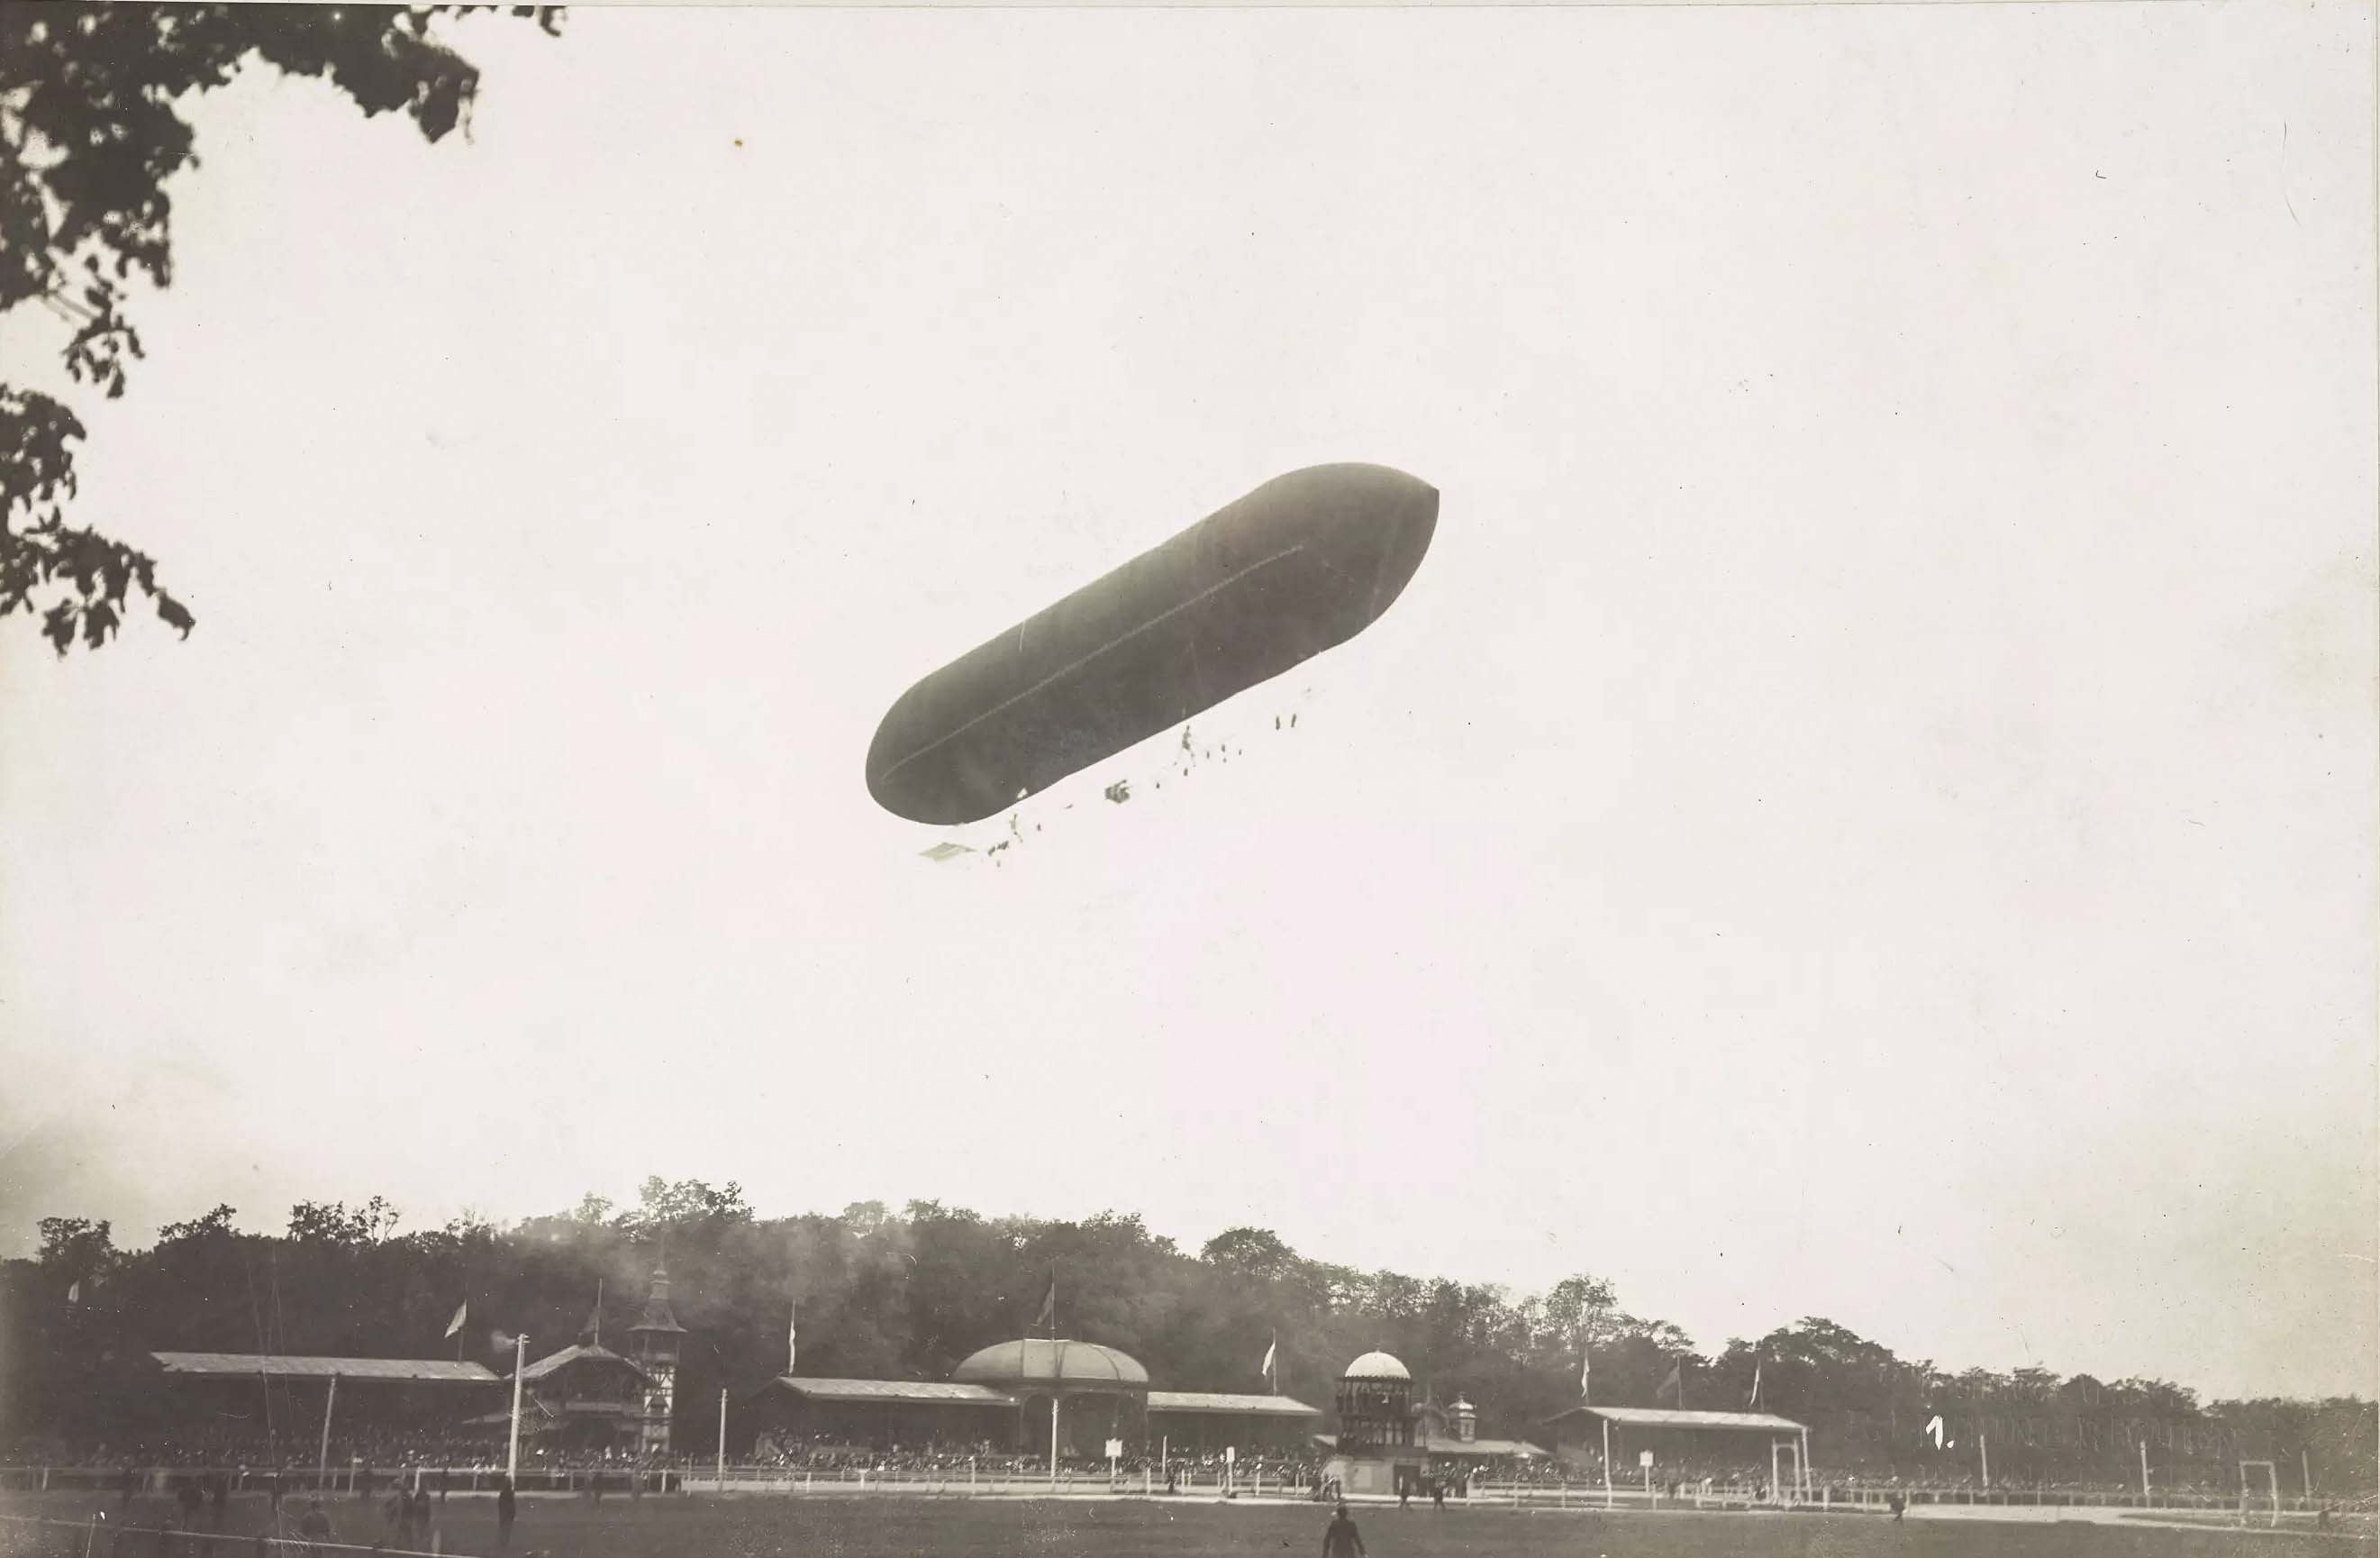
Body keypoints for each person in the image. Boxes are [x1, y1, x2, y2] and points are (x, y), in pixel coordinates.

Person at [496, 1474, 517, 1552]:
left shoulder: (503, 1491)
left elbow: (500, 1502)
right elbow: (512, 1504)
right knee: (507, 1529)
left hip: (504, 1512)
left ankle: (503, 1542)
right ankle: (504, 1542)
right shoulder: (510, 1492)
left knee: (503, 1528)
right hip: (507, 1512)